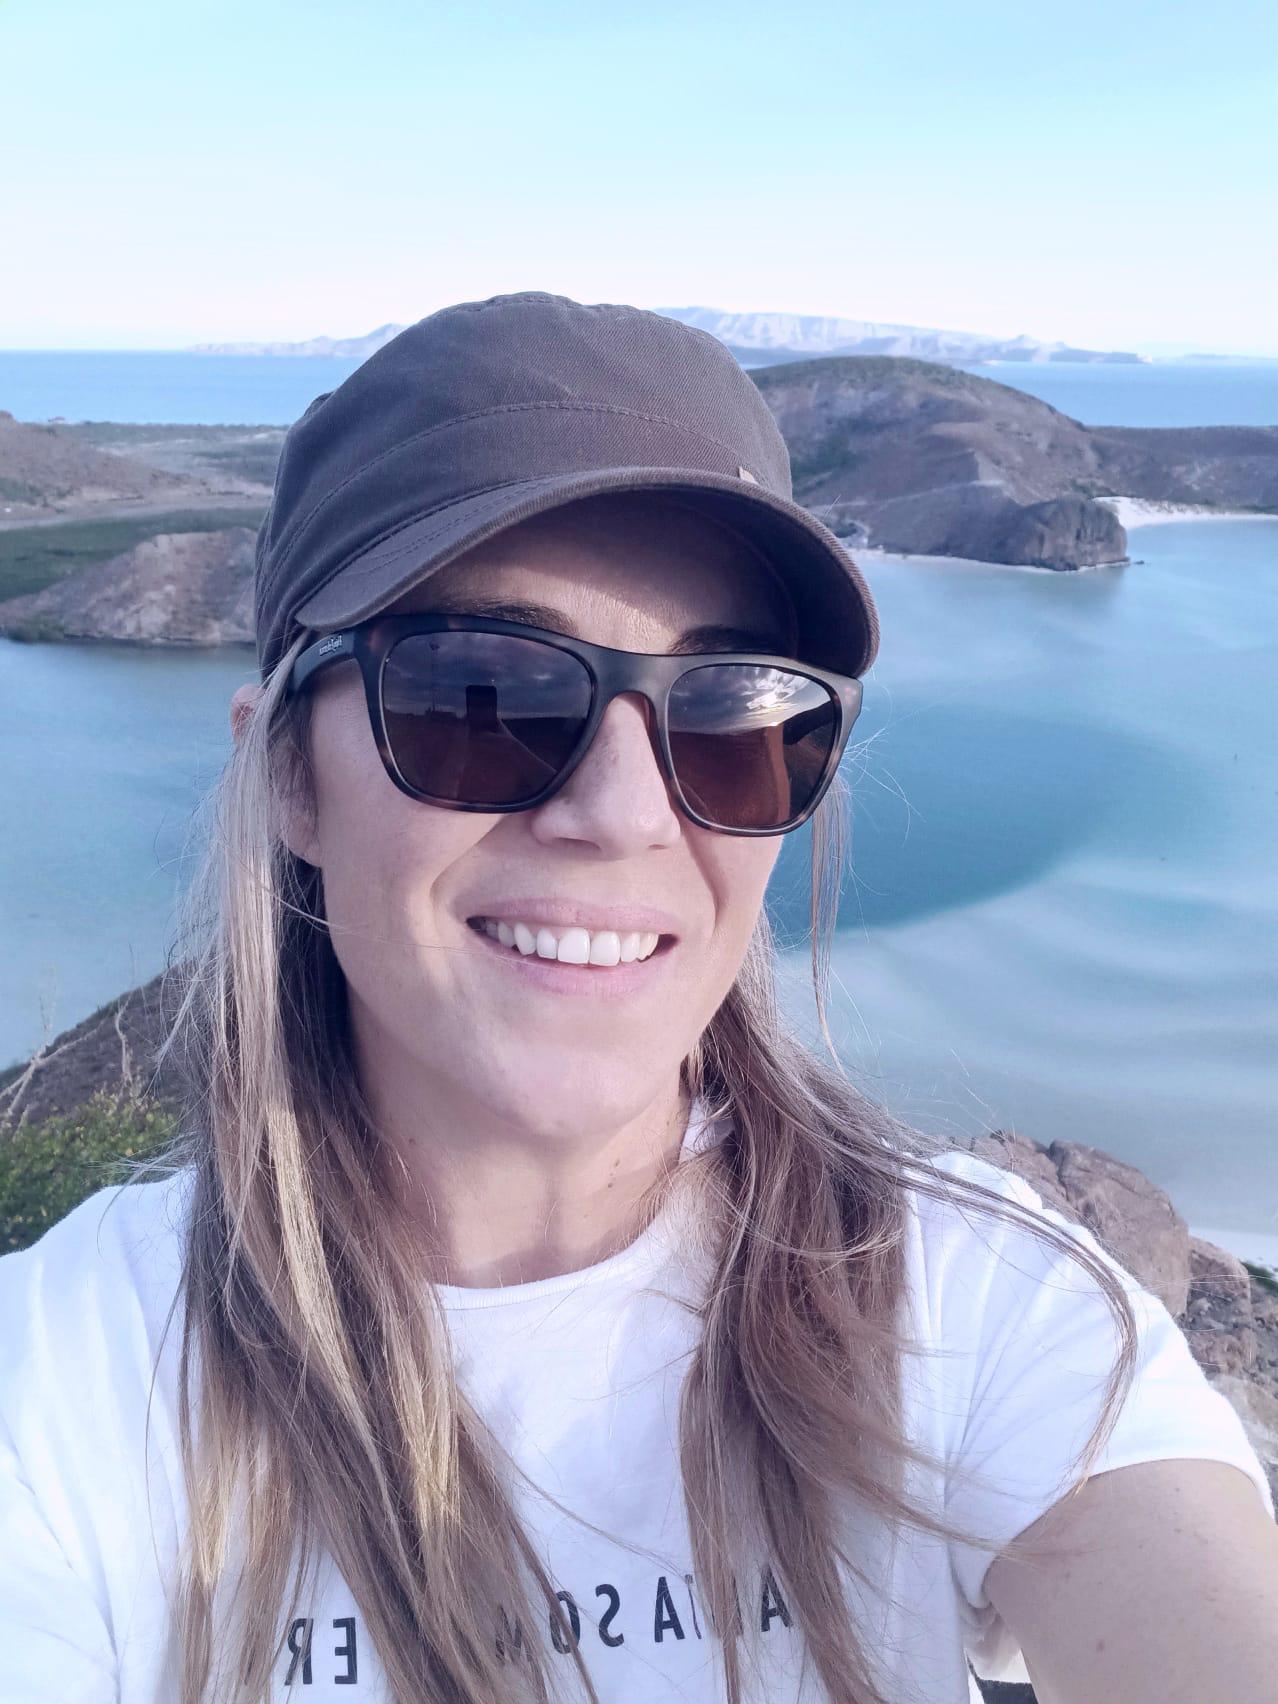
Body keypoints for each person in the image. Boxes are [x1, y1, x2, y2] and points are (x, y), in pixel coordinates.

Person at [1, 292, 1274, 1704]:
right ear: (288, 775)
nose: (621, 813)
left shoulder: (984, 1312)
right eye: (478, 691)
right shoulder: (61, 1389)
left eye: (733, 714)